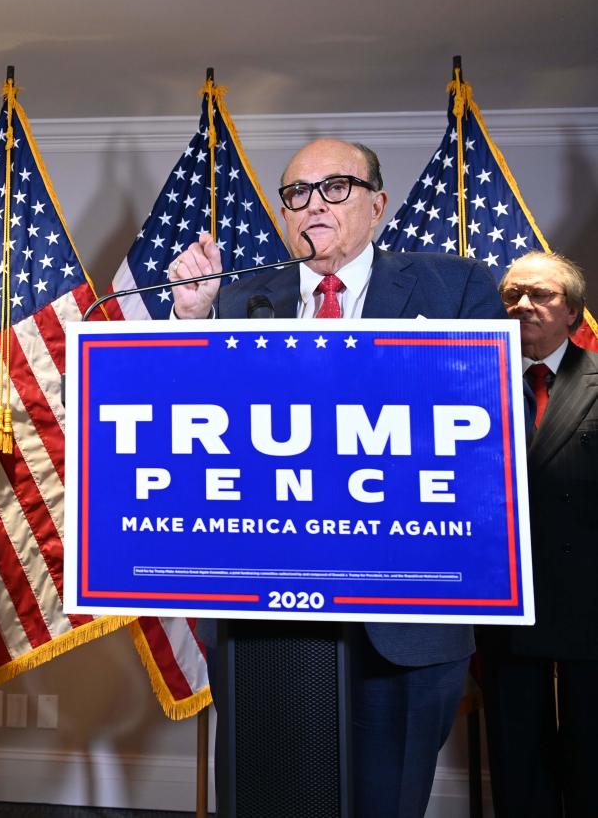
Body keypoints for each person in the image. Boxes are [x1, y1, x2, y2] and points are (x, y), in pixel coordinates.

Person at [169, 138, 505, 817]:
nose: (312, 204)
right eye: (296, 193)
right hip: (263, 618)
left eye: (335, 188)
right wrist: (190, 320)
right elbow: (183, 434)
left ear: (377, 204)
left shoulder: (455, 287)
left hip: (404, 618)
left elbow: (480, 430)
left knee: (387, 801)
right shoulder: (233, 302)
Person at [478, 251, 598, 817]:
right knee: (516, 759)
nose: (523, 304)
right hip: (505, 598)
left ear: (573, 311)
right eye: (512, 294)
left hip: (590, 597)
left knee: (592, 756)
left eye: (542, 294)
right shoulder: (472, 380)